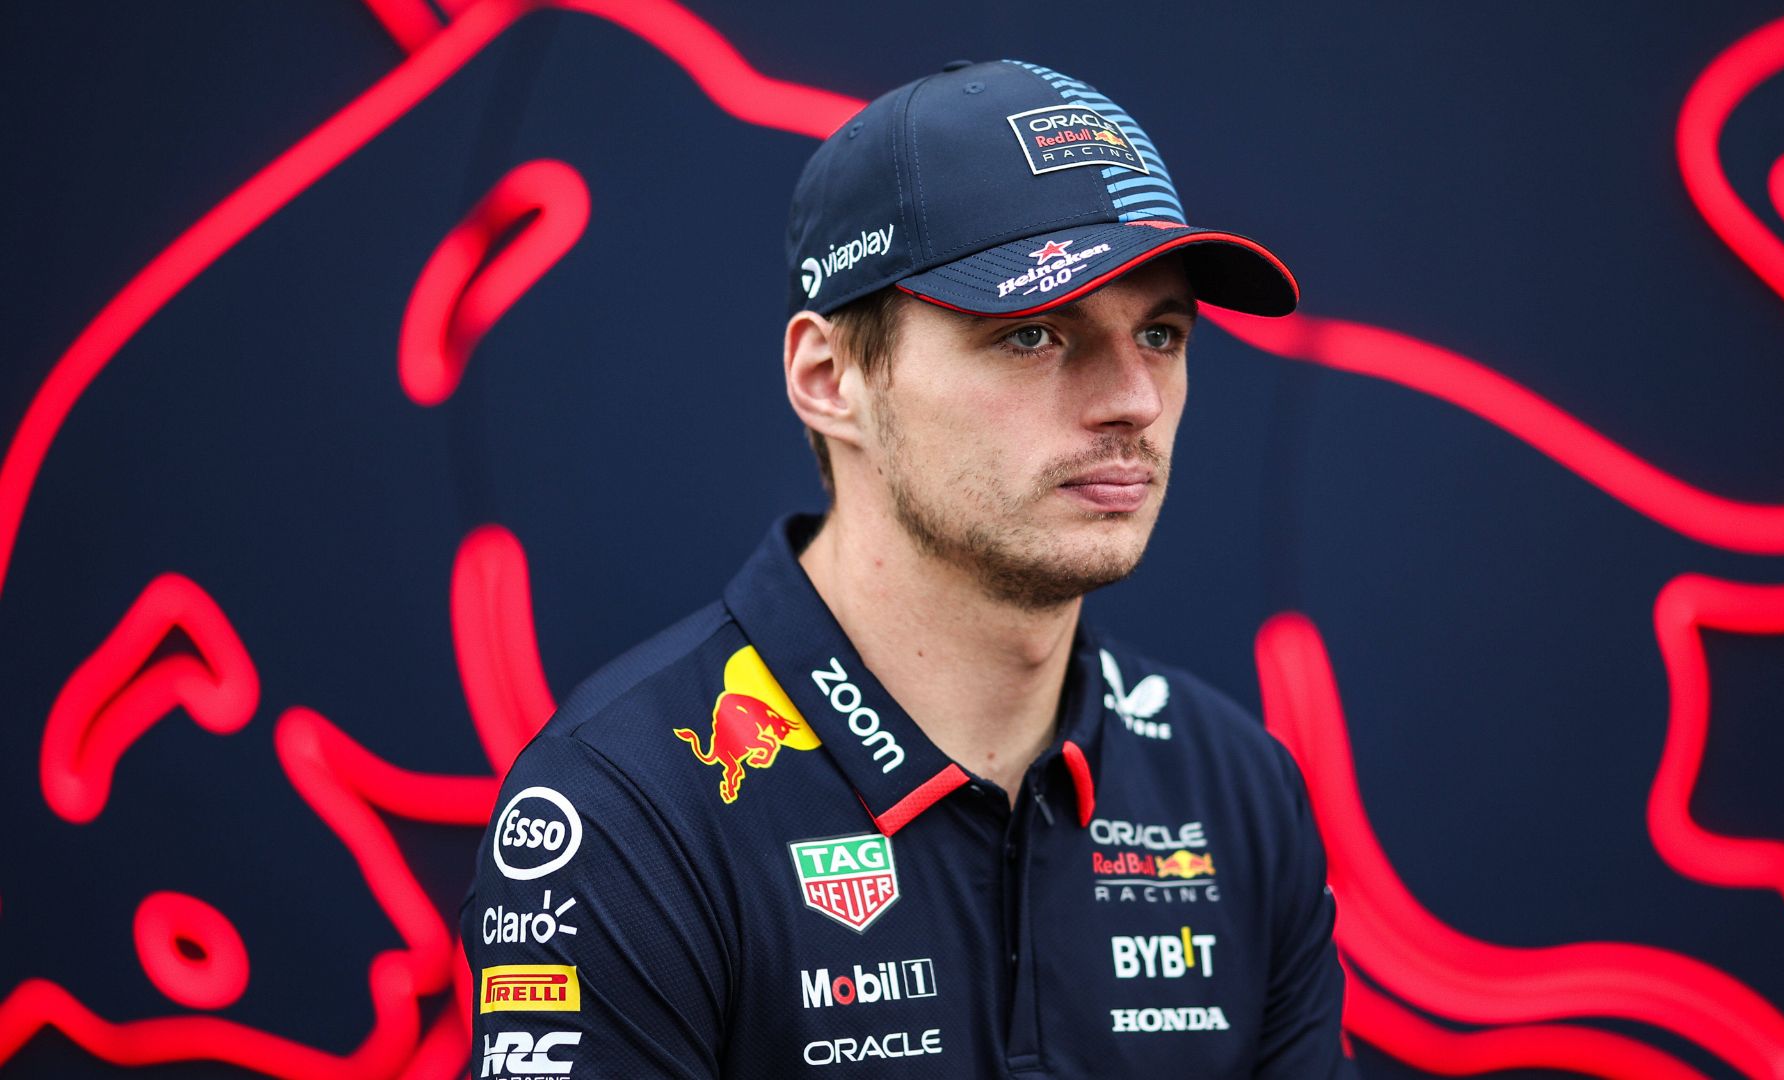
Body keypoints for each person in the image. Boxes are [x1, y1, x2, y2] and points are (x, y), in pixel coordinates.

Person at [462, 59, 1354, 1078]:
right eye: (1032, 332)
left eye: (1160, 332)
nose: (1134, 402)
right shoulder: (631, 811)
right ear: (829, 379)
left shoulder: (1234, 791)